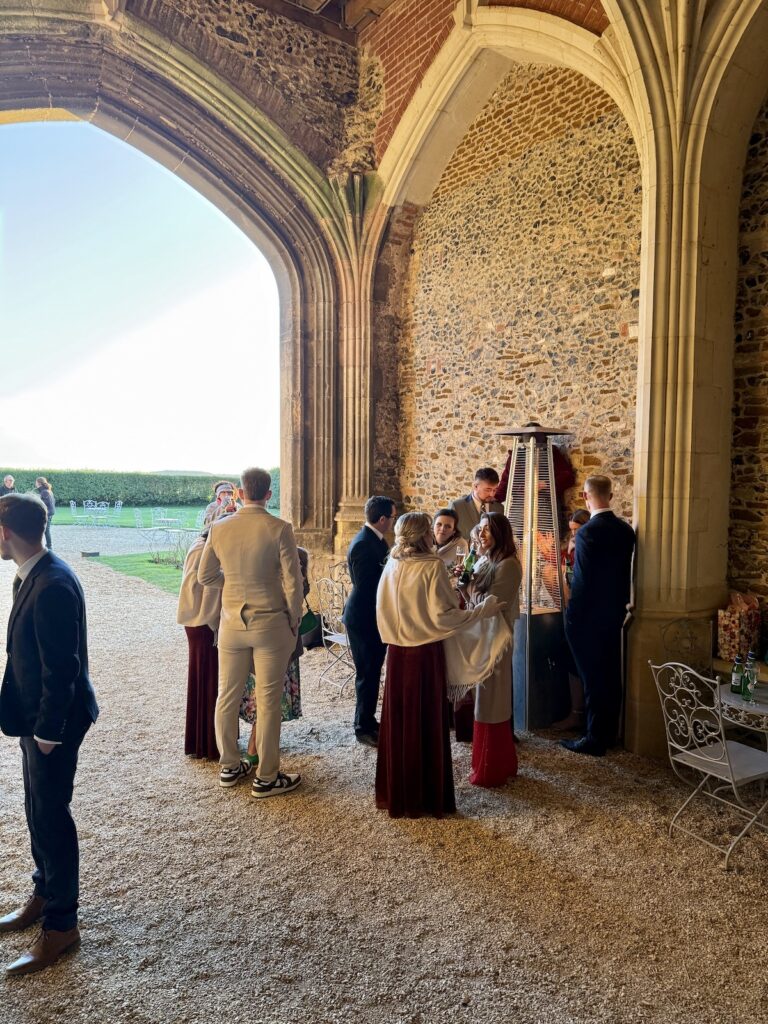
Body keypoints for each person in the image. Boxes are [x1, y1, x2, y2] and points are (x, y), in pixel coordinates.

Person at [0, 493, 98, 976]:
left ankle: (62, 924)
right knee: (36, 808)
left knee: (52, 815)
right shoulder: (34, 573)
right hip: (33, 720)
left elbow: (63, 669)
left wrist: (47, 732)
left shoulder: (53, 582)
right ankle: (44, 892)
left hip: (51, 726)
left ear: (6, 532)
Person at [375, 512, 511, 818]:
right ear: (424, 534)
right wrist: (480, 613)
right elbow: (442, 616)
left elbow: (383, 609)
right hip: (423, 653)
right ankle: (424, 796)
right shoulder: (431, 565)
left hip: (397, 653)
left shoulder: (393, 563)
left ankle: (398, 793)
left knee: (399, 721)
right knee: (423, 720)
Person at [198, 467, 304, 797]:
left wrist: (231, 585)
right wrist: (295, 619)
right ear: (268, 494)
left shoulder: (219, 527)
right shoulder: (279, 528)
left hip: (232, 624)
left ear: (241, 493)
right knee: (268, 701)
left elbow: (205, 576)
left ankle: (229, 766)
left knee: (226, 696)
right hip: (271, 624)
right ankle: (266, 777)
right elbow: (293, 580)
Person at [562, 476, 635, 757]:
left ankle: (594, 738)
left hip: (587, 616)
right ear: (611, 496)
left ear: (584, 496)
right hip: (615, 612)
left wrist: (572, 616)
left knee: (592, 677)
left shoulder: (587, 533)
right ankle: (608, 733)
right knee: (610, 673)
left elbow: (583, 581)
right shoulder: (626, 531)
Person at [461, 511, 523, 787]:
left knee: (492, 700)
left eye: (487, 529)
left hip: (497, 639)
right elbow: (475, 603)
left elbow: (490, 604)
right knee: (482, 700)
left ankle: (493, 766)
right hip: (482, 636)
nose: (481, 534)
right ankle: (488, 761)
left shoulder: (509, 565)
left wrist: (470, 587)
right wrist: (464, 586)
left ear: (500, 533)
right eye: (480, 529)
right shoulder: (487, 560)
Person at [242, 547, 310, 763]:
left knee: (267, 693)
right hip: (278, 639)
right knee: (269, 694)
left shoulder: (272, 559)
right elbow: (298, 596)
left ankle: (261, 743)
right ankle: (255, 748)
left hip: (263, 637)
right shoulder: (295, 556)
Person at [342, 495, 396, 747]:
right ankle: (362, 727)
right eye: (392, 517)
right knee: (367, 672)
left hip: (372, 617)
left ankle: (369, 719)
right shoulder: (364, 543)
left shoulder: (375, 539)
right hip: (363, 618)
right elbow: (366, 587)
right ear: (382, 518)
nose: (393, 522)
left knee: (373, 671)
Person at [177, 525, 223, 760]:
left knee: (203, 680)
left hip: (196, 622)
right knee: (208, 682)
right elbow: (208, 589)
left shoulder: (199, 545)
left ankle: (201, 740)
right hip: (204, 623)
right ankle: (209, 743)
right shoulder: (206, 550)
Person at [552, 509, 590, 732]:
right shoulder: (571, 548)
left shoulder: (585, 549)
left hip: (582, 609)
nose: (574, 534)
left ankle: (579, 713)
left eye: (578, 530)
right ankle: (575, 712)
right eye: (572, 530)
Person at [450, 467, 504, 540]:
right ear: (475, 486)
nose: (492, 494)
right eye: (488, 490)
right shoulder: (456, 507)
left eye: (494, 490)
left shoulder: (500, 508)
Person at [35, 477, 55, 550]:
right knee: (45, 530)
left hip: (47, 513)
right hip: (50, 513)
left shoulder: (44, 491)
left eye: (36, 482)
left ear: (39, 483)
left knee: (46, 530)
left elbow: (44, 504)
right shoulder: (47, 490)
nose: (35, 484)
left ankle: (49, 546)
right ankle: (47, 545)